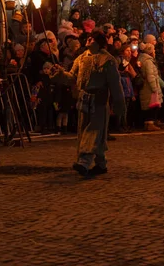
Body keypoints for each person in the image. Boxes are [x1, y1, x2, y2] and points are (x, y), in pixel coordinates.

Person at [53, 31, 125, 176]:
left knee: (92, 133)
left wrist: (119, 104)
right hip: (84, 101)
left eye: (92, 39)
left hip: (99, 101)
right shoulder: (81, 58)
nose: (88, 40)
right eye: (88, 38)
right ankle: (101, 164)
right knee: (85, 132)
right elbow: (72, 77)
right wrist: (60, 73)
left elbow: (115, 85)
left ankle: (84, 162)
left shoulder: (107, 61)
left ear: (98, 42)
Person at [138, 41, 164, 131]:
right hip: (149, 88)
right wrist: (155, 88)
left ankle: (149, 123)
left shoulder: (143, 59)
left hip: (147, 87)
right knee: (152, 106)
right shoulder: (148, 62)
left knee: (151, 105)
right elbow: (151, 76)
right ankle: (150, 123)